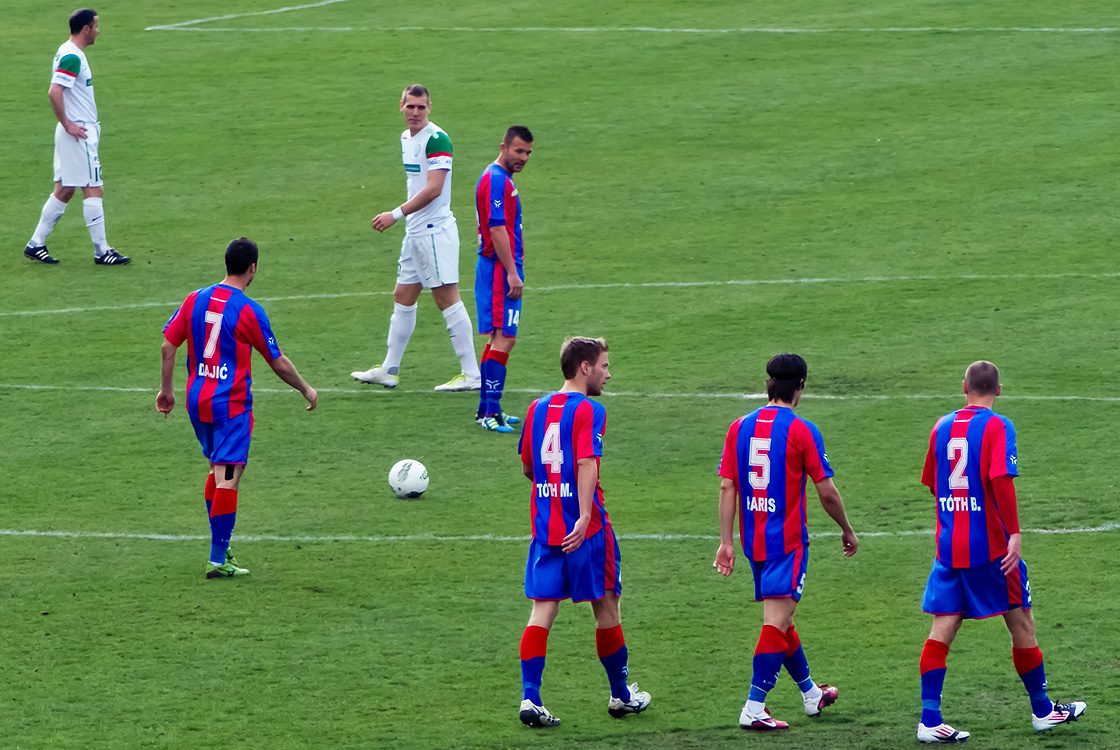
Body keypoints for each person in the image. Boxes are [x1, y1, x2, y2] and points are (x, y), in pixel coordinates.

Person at [915, 361, 1086, 743]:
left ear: (964, 387)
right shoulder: (997, 425)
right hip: (991, 549)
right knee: (1021, 621)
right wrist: (1014, 533)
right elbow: (1000, 480)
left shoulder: (941, 425)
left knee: (943, 625)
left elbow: (933, 483)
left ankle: (929, 719)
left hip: (948, 546)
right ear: (999, 389)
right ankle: (1043, 711)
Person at [713, 353, 858, 731]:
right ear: (801, 386)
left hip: (753, 544)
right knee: (775, 624)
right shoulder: (801, 429)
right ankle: (754, 706)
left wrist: (726, 542)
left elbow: (728, 486)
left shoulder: (738, 427)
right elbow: (826, 492)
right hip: (787, 544)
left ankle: (812, 694)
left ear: (768, 384)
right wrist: (846, 528)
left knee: (784, 619)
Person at [157, 238, 317, 578]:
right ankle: (218, 558)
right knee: (229, 475)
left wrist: (166, 392)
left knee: (218, 470)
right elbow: (277, 362)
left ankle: (221, 547)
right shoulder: (247, 310)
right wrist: (305, 388)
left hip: (196, 400)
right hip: (230, 404)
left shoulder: (194, 299)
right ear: (253, 268)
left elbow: (168, 346)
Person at [515, 337, 651, 727]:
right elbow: (587, 462)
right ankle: (621, 696)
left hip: (545, 528)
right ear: (585, 367)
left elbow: (528, 466)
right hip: (586, 531)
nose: (608, 374)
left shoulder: (536, 407)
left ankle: (530, 698)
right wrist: (583, 513)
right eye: (604, 366)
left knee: (542, 610)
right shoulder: (590, 408)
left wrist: (551, 497)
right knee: (606, 607)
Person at [351, 85, 480, 392]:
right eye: (411, 106)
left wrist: (395, 214)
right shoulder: (406, 138)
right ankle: (389, 369)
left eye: (421, 107)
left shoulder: (437, 139)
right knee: (403, 296)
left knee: (446, 299)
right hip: (416, 233)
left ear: (429, 108)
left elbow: (434, 188)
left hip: (434, 234)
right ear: (401, 106)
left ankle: (472, 374)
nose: (416, 112)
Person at [24, 9, 129, 266]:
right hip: (78, 132)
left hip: (75, 132)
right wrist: (68, 124)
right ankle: (102, 250)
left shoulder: (68, 51)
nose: (98, 30)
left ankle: (36, 243)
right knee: (94, 188)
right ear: (85, 29)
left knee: (64, 189)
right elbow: (54, 92)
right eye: (96, 26)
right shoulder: (72, 56)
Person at [474, 126, 534, 433]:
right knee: (505, 339)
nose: (523, 157)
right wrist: (512, 271)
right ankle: (490, 413)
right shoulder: (497, 180)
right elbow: (497, 229)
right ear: (504, 147)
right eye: (518, 151)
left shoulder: (497, 176)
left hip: (496, 267)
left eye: (527, 153)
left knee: (497, 338)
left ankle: (487, 408)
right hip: (499, 268)